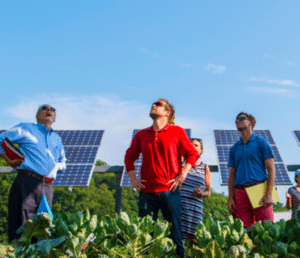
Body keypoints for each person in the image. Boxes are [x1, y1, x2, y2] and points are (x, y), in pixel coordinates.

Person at [124, 98, 199, 258]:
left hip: (170, 192)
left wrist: (183, 173)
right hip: (146, 193)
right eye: (153, 104)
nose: (154, 105)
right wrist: (133, 180)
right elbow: (129, 157)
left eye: (158, 104)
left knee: (176, 236)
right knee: (144, 237)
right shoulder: (141, 134)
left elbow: (192, 153)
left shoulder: (177, 131)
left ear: (167, 112)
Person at [0, 104, 66, 242]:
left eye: (52, 110)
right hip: (27, 181)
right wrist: (8, 159)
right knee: (23, 228)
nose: (49, 110)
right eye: (44, 108)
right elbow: (0, 139)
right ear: (37, 116)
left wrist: (55, 168)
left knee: (44, 229)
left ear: (54, 117)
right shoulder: (25, 128)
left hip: (47, 187)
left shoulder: (57, 139)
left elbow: (62, 161)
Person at [227, 112, 275, 229]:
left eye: (241, 118)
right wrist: (230, 198)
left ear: (251, 123)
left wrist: (268, 194)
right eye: (236, 119)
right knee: (244, 232)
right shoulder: (234, 148)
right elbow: (231, 175)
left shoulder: (261, 143)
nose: (238, 120)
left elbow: (271, 170)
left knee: (266, 229)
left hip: (259, 189)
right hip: (240, 192)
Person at [181, 138, 211, 240]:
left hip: (195, 211)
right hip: (180, 208)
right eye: (191, 145)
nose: (193, 147)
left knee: (193, 242)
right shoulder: (181, 164)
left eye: (196, 145)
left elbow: (208, 191)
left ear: (201, 150)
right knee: (177, 240)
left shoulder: (205, 167)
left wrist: (201, 194)